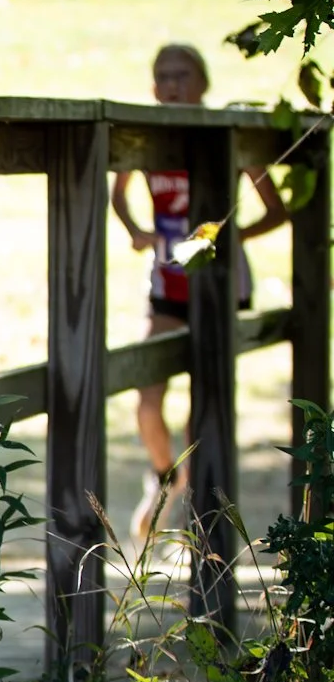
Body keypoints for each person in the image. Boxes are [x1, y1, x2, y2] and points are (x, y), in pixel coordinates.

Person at [110, 43, 287, 539]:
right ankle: (165, 478)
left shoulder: (226, 134)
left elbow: (276, 210)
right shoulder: (144, 135)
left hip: (218, 285)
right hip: (167, 280)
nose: (172, 85)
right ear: (152, 86)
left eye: (182, 74)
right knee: (147, 397)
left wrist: (230, 238)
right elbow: (118, 194)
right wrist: (136, 230)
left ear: (204, 82)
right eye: (163, 75)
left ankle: (196, 507)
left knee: (204, 400)